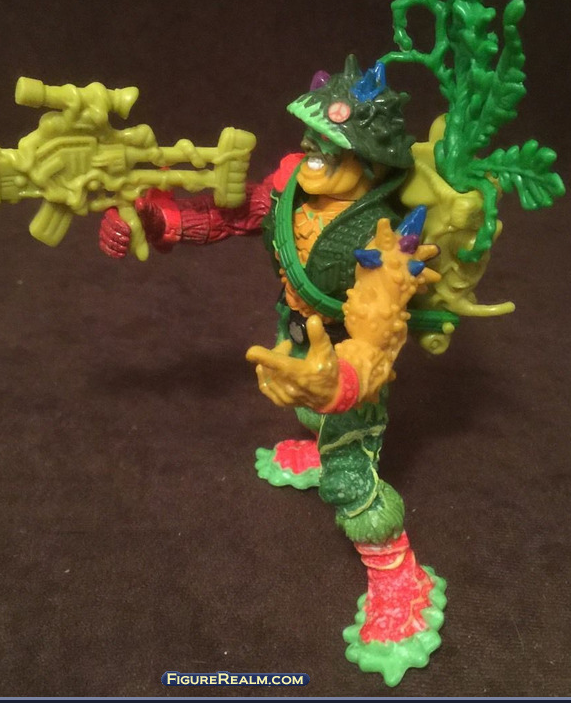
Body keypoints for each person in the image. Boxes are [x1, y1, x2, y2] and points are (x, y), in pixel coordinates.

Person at [98, 54, 447, 684]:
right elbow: (228, 218)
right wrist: (155, 218)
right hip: (296, 336)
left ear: (372, 164)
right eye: (312, 140)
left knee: (350, 475)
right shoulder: (288, 194)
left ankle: (400, 577)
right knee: (304, 409)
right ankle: (319, 436)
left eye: (333, 147)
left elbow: (379, 327)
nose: (314, 154)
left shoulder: (383, 233)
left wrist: (342, 380)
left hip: (350, 360)